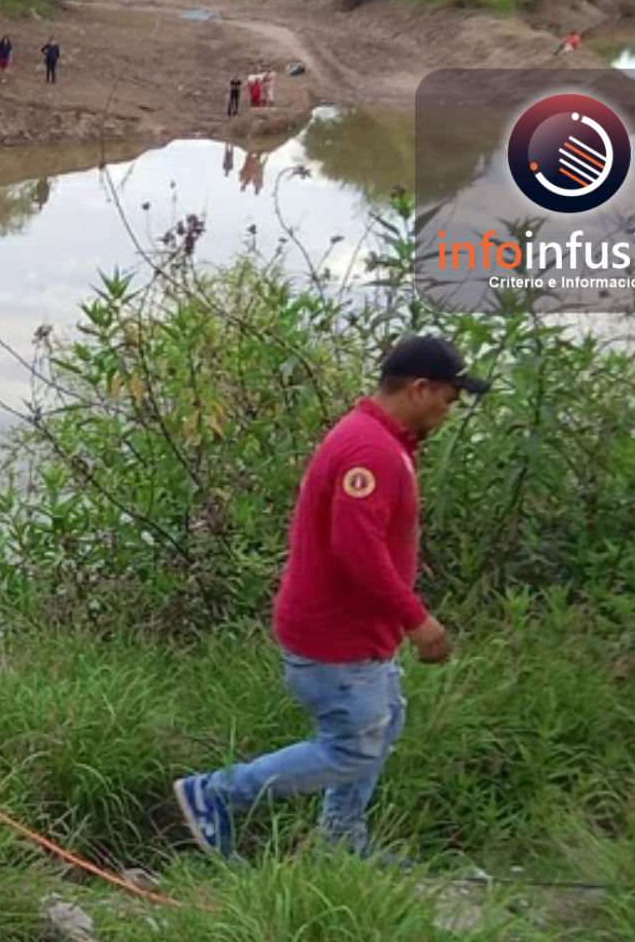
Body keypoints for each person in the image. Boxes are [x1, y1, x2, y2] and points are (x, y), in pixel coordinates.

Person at [173, 336, 490, 861]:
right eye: (449, 398)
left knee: (384, 721)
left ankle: (340, 841)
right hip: (335, 638)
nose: (448, 409)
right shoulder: (371, 449)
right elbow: (356, 550)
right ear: (419, 389)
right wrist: (417, 620)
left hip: (359, 635)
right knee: (350, 747)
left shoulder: (382, 441)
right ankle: (216, 793)